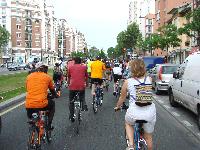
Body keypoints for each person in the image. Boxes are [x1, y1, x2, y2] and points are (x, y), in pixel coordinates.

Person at [114, 59, 156, 150]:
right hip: (149, 113)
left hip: (134, 112)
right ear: (144, 68)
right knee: (148, 137)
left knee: (128, 123)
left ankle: (131, 145)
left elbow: (122, 97)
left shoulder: (127, 82)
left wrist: (118, 106)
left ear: (132, 69)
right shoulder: (149, 79)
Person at [25, 62, 58, 130]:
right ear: (44, 69)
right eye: (46, 68)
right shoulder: (47, 77)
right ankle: (49, 124)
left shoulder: (29, 76)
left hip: (28, 105)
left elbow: (28, 88)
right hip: (41, 103)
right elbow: (52, 90)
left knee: (33, 117)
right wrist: (55, 95)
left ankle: (34, 127)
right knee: (52, 104)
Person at [68, 57, 88, 122]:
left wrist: (68, 84)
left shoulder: (70, 67)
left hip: (72, 86)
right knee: (82, 95)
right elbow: (86, 76)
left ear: (74, 61)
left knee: (71, 101)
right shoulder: (84, 67)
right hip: (81, 86)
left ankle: (71, 115)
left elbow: (69, 77)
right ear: (80, 61)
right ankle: (83, 104)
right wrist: (87, 84)